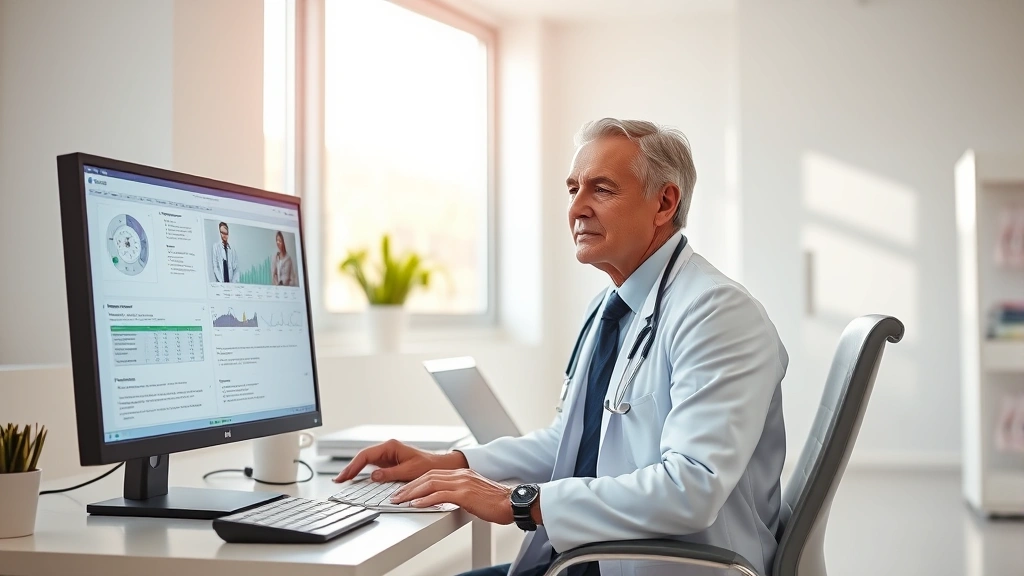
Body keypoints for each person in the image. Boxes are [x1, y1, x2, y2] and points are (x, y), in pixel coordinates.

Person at [334, 119, 788, 576]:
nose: (577, 209)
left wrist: (519, 501)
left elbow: (690, 488)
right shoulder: (610, 306)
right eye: (573, 189)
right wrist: (454, 462)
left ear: (664, 202)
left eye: (602, 189)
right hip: (586, 559)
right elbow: (568, 443)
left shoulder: (717, 313)